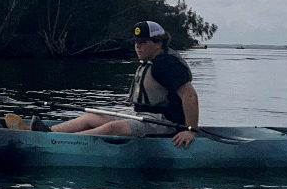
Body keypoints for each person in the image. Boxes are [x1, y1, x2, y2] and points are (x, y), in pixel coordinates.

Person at [49, 20, 200, 148]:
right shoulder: (152, 61)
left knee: (112, 128)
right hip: (145, 118)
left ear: (158, 43)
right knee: (91, 117)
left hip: (167, 124)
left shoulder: (167, 63)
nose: (137, 47)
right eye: (136, 42)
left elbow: (190, 96)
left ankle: (59, 144)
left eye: (143, 42)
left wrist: (190, 130)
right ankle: (45, 132)